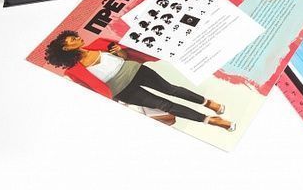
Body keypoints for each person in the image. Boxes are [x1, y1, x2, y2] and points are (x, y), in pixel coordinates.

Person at [44, 30, 236, 131]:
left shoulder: (99, 44)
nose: (76, 38)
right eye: (71, 40)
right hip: (123, 91)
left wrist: (120, 52)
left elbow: (125, 55)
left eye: (74, 36)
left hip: (135, 70)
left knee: (172, 89)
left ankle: (207, 103)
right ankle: (209, 120)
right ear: (66, 49)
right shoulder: (73, 72)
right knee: (165, 105)